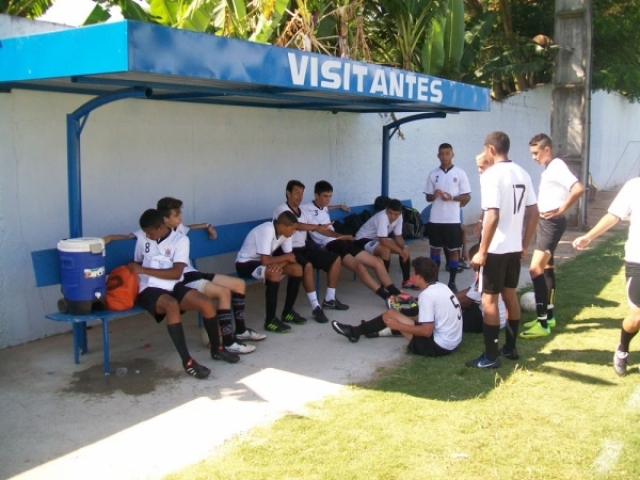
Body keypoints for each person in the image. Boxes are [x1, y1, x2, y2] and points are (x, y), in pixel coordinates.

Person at [128, 209, 239, 380]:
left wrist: (143, 269)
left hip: (173, 283)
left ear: (160, 228)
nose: (147, 236)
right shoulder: (143, 237)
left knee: (205, 302)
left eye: (150, 233)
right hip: (148, 288)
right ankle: (187, 361)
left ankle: (217, 348)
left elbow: (176, 273)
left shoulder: (180, 240)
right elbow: (136, 260)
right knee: (171, 305)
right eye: (145, 233)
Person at [466, 131, 539, 369]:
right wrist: (524, 244)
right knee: (510, 296)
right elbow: (534, 212)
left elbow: (492, 215)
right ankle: (510, 348)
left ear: (491, 149)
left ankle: (490, 356)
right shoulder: (522, 172)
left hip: (496, 249)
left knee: (489, 300)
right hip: (514, 248)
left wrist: (482, 250)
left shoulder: (492, 174)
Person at [157, 197, 266, 355]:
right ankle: (228, 342)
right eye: (176, 215)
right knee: (223, 292)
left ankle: (241, 330)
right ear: (164, 219)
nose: (180, 218)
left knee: (239, 284)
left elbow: (189, 227)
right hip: (183, 279)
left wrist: (207, 225)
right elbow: (134, 237)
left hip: (193, 273)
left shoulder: (177, 228)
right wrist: (116, 238)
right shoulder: (154, 235)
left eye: (180, 213)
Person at [519, 134, 586, 339]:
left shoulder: (556, 166)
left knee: (535, 269)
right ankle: (548, 317)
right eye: (532, 153)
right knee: (547, 268)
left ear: (547, 149)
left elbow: (578, 188)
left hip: (551, 224)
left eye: (536, 153)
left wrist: (561, 209)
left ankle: (542, 324)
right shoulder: (551, 167)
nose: (534, 157)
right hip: (546, 223)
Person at [573, 177, 640, 376]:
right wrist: (588, 237)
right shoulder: (634, 186)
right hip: (637, 260)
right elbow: (614, 215)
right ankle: (622, 349)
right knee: (636, 317)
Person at [331, 257, 462, 357]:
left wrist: (398, 325)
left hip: (438, 347)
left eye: (413, 273)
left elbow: (426, 331)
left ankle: (355, 332)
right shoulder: (441, 286)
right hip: (453, 341)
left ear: (420, 276)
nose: (411, 276)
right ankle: (363, 331)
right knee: (396, 315)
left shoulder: (426, 295)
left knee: (391, 316)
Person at [301, 180, 403, 302]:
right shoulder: (305, 209)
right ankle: (385, 296)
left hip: (341, 241)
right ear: (316, 195)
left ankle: (395, 292)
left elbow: (325, 207)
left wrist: (339, 206)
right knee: (359, 267)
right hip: (330, 244)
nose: (328, 199)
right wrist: (341, 236)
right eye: (325, 196)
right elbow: (321, 230)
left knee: (378, 262)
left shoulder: (323, 206)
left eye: (330, 196)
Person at [273, 180, 349, 324]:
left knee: (335, 259)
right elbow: (296, 225)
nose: (300, 196)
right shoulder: (281, 209)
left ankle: (330, 299)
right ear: (288, 193)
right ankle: (316, 307)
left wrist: (339, 236)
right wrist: (316, 227)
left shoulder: (302, 211)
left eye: (302, 193)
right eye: (296, 193)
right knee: (307, 266)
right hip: (285, 251)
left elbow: (320, 228)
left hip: (303, 248)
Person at [235, 211, 304, 333]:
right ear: (282, 226)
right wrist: (283, 260)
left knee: (297, 269)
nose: (294, 232)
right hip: (245, 264)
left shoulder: (286, 234)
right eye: (292, 229)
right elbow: (266, 260)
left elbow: (291, 257)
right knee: (274, 274)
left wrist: (279, 264)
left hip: (262, 263)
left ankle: (288, 312)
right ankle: (270, 320)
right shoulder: (268, 229)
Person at [424, 143, 472, 292]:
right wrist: (434, 195)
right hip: (436, 219)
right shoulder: (433, 174)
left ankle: (452, 282)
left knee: (453, 251)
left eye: (447, 153)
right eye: (442, 154)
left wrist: (451, 197)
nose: (444, 156)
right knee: (435, 250)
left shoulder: (460, 173)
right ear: (438, 155)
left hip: (452, 219)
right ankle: (435, 280)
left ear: (452, 155)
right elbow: (428, 197)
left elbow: (467, 196)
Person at [354, 198, 415, 289]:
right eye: (390, 213)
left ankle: (406, 281)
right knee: (385, 251)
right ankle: (385, 285)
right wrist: (400, 251)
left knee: (404, 250)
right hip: (362, 239)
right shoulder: (382, 217)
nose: (392, 216)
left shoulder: (399, 217)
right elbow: (383, 241)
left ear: (400, 213)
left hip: (377, 238)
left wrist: (405, 247)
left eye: (396, 214)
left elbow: (398, 237)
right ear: (386, 209)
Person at [456, 244, 507, 333]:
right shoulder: (491, 271)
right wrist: (449, 298)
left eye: (472, 260)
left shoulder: (485, 277)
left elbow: (466, 301)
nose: (471, 264)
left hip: (487, 321)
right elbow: (468, 290)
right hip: (496, 318)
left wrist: (446, 303)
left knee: (453, 315)